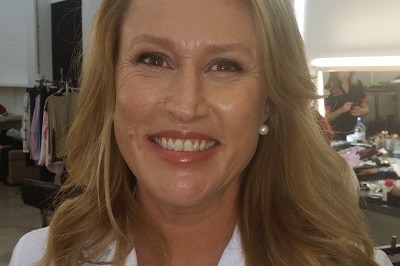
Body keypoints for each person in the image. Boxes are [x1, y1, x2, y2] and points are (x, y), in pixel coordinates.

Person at [10, 0, 392, 265]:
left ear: (269, 101)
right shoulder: (41, 258)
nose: (186, 105)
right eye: (154, 60)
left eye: (225, 66)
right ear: (109, 88)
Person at [324, 71, 369, 140]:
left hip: (357, 129)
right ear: (335, 73)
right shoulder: (329, 88)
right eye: (341, 72)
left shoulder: (357, 84)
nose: (345, 74)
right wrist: (341, 110)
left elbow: (366, 108)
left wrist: (362, 111)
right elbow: (326, 117)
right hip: (338, 132)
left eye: (347, 71)